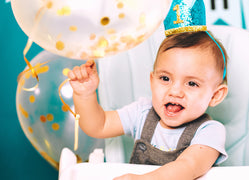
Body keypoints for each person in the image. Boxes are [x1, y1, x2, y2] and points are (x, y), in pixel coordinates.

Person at [68, 30, 228, 179]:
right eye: (165, 78)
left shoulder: (210, 131)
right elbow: (99, 126)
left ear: (215, 95)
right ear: (152, 81)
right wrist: (85, 95)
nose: (175, 91)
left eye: (192, 83)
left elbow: (188, 166)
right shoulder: (142, 113)